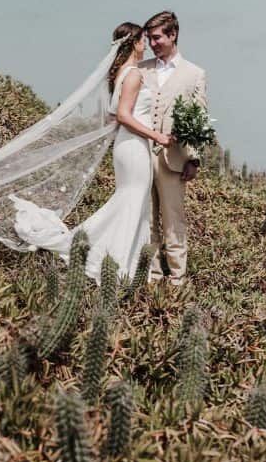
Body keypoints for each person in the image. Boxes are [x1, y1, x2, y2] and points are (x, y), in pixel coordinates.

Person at [9, 22, 172, 283]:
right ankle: (113, 261)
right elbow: (123, 115)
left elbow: (112, 117)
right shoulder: (133, 74)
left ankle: (124, 262)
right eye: (144, 40)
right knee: (131, 201)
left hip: (127, 145)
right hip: (134, 146)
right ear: (135, 43)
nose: (147, 46)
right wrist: (157, 136)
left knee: (131, 201)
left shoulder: (119, 73)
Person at [139, 10, 207, 285]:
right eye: (149, 39)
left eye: (156, 38)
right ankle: (152, 275)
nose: (152, 44)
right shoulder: (141, 69)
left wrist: (195, 159)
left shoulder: (195, 73)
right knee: (146, 220)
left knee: (173, 219)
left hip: (173, 158)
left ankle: (177, 277)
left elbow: (200, 117)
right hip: (140, 155)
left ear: (173, 34)